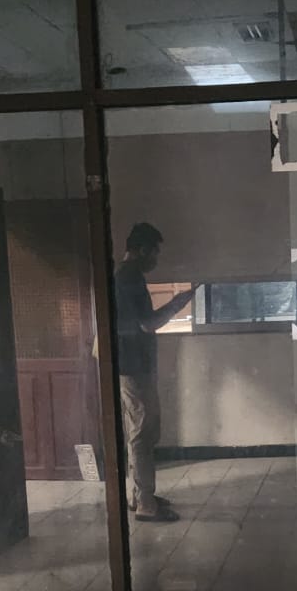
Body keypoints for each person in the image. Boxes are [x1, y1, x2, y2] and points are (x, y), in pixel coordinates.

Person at [114, 222, 196, 523]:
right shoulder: (129, 278)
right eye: (155, 253)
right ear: (142, 249)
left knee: (142, 432)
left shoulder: (125, 276)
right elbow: (147, 324)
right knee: (142, 434)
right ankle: (146, 503)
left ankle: (140, 496)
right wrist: (176, 304)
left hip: (133, 365)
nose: (156, 260)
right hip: (133, 367)